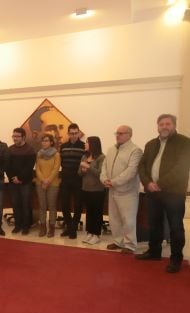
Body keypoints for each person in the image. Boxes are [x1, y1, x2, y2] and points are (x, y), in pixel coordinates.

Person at [136, 114, 190, 273]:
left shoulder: (185, 142)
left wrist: (159, 184)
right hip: (153, 192)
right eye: (161, 124)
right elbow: (142, 166)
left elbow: (181, 168)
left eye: (168, 124)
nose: (164, 127)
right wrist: (148, 183)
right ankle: (154, 252)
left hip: (174, 192)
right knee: (154, 223)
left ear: (174, 125)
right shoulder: (151, 144)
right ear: (157, 126)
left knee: (175, 226)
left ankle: (176, 259)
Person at [100, 125, 142, 254]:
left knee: (128, 220)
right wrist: (104, 179)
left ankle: (130, 245)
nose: (118, 135)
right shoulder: (111, 149)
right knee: (114, 218)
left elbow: (131, 171)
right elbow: (104, 167)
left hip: (127, 191)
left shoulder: (136, 151)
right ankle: (118, 241)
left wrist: (113, 182)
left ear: (129, 135)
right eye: (117, 133)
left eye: (121, 133)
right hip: (112, 190)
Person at [6, 127, 36, 235]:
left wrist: (20, 178)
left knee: (25, 204)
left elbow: (29, 167)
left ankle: (26, 226)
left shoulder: (30, 150)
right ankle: (17, 225)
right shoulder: (9, 149)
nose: (14, 138)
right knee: (15, 203)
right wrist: (13, 178)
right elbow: (7, 166)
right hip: (13, 182)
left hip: (25, 182)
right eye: (13, 136)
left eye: (17, 136)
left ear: (23, 137)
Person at [59, 123, 85, 239]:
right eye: (71, 133)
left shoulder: (84, 146)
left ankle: (73, 228)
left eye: (76, 133)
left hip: (78, 180)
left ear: (79, 133)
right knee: (64, 204)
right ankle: (69, 227)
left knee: (78, 205)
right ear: (68, 133)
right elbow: (61, 162)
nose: (73, 135)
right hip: (65, 179)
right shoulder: (63, 146)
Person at [79, 136, 105, 245]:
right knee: (89, 212)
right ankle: (89, 232)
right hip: (86, 188)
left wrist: (89, 167)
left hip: (97, 189)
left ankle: (96, 234)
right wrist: (83, 170)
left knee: (97, 212)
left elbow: (101, 173)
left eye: (87, 142)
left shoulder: (101, 157)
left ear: (93, 144)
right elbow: (79, 173)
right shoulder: (84, 157)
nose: (85, 144)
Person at [35, 134, 60, 238]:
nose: (44, 142)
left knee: (52, 206)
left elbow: (56, 168)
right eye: (43, 141)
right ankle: (43, 227)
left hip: (53, 184)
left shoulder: (56, 154)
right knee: (42, 206)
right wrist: (43, 180)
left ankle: (52, 228)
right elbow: (37, 169)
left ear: (51, 142)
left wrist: (48, 180)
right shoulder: (39, 154)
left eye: (46, 141)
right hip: (40, 183)